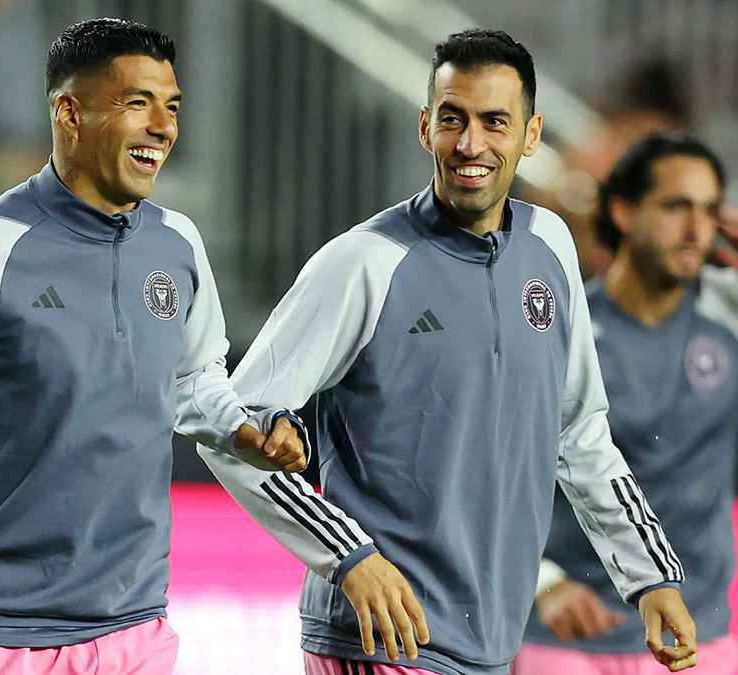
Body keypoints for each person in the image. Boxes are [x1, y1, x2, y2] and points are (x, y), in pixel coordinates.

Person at [0, 17, 306, 675]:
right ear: (70, 113)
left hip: (134, 631)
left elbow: (193, 381)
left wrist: (242, 426)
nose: (163, 126)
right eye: (138, 103)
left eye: (172, 106)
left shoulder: (178, 244)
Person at [197, 29, 697, 675]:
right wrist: (348, 557)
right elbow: (229, 429)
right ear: (425, 126)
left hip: (490, 640)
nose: (470, 144)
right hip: (382, 642)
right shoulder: (365, 262)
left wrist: (650, 575)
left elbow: (578, 431)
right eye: (453, 119)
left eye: (494, 122)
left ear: (532, 135)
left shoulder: (549, 245)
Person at [515, 133, 738, 674]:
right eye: (676, 207)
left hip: (697, 638)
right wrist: (542, 582)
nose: (697, 230)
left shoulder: (728, 313)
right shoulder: (558, 329)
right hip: (569, 637)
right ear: (623, 211)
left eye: (709, 209)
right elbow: (489, 470)